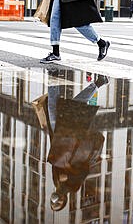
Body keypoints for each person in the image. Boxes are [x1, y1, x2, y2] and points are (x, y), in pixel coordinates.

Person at [33, 70, 109, 211]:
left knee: (52, 106)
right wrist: (68, 169)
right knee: (74, 105)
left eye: (53, 202)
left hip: (58, 138)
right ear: (64, 200)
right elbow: (84, 169)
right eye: (58, 203)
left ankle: (54, 76)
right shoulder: (73, 187)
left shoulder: (56, 182)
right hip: (71, 138)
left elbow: (56, 161)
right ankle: (98, 83)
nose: (55, 200)